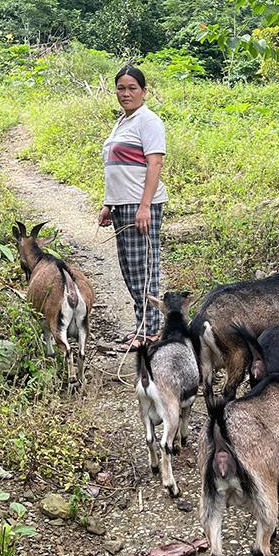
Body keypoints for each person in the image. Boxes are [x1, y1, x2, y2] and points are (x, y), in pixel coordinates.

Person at [99, 65, 168, 347]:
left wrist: (144, 206)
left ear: (143, 91)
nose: (125, 93)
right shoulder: (123, 122)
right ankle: (142, 326)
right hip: (121, 206)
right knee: (129, 270)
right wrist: (107, 204)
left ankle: (150, 332)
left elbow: (156, 163)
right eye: (121, 88)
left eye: (132, 88)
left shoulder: (148, 121)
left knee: (144, 270)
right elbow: (115, 167)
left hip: (140, 206)